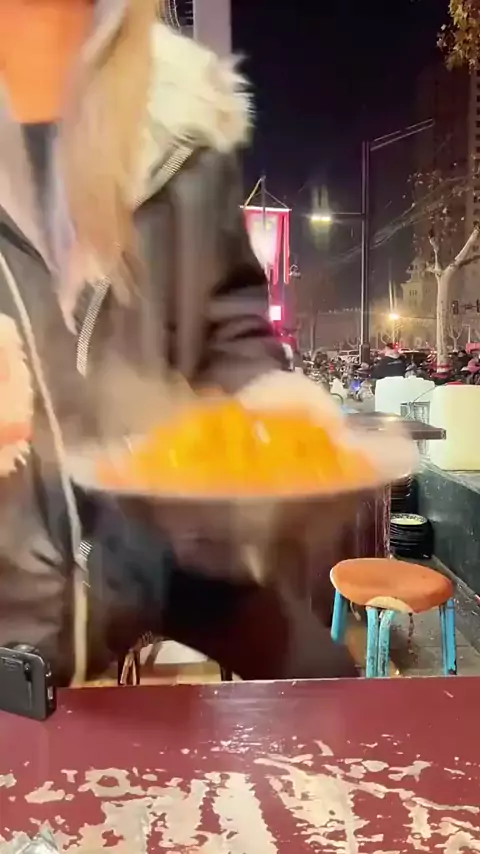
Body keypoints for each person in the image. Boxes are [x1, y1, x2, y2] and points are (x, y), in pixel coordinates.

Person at [0, 0, 357, 685]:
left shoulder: (183, 120)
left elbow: (232, 320)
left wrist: (269, 406)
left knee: (326, 685)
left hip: (153, 545)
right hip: (11, 578)